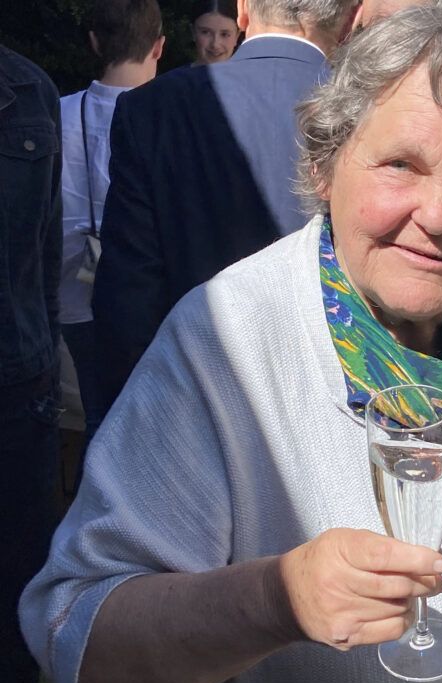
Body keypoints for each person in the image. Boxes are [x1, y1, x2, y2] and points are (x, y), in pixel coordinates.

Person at [20, 3, 442, 683]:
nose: (438, 215)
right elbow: (79, 631)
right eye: (401, 165)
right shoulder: (227, 341)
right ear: (326, 164)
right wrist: (274, 599)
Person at [91, 0, 360, 415]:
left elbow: (128, 293)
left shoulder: (155, 106)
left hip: (187, 393)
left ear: (243, 9)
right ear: (350, 18)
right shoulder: (375, 108)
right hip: (342, 400)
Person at [59, 0, 164, 455]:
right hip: (153, 303)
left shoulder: (57, 114)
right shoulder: (170, 116)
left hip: (72, 297)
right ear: (159, 46)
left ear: (94, 42)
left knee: (97, 417)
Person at [0, 45, 63, 683]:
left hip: (16, 388)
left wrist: (43, 359)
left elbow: (45, 249)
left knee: (14, 583)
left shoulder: (29, 92)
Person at [190, 0, 242, 65]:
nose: (215, 45)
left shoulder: (250, 71)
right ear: (193, 32)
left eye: (224, 34)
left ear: (237, 36)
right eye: (205, 32)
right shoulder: (179, 72)